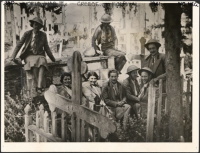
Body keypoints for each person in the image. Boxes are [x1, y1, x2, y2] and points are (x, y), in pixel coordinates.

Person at [10, 17, 57, 95]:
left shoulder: (43, 35)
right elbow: (19, 45)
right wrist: (13, 56)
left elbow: (47, 48)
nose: (36, 27)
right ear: (32, 25)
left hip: (39, 54)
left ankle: (38, 86)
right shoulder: (27, 34)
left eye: (38, 25)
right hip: (29, 55)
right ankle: (38, 87)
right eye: (35, 25)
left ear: (40, 27)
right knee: (34, 64)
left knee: (42, 61)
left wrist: (53, 58)